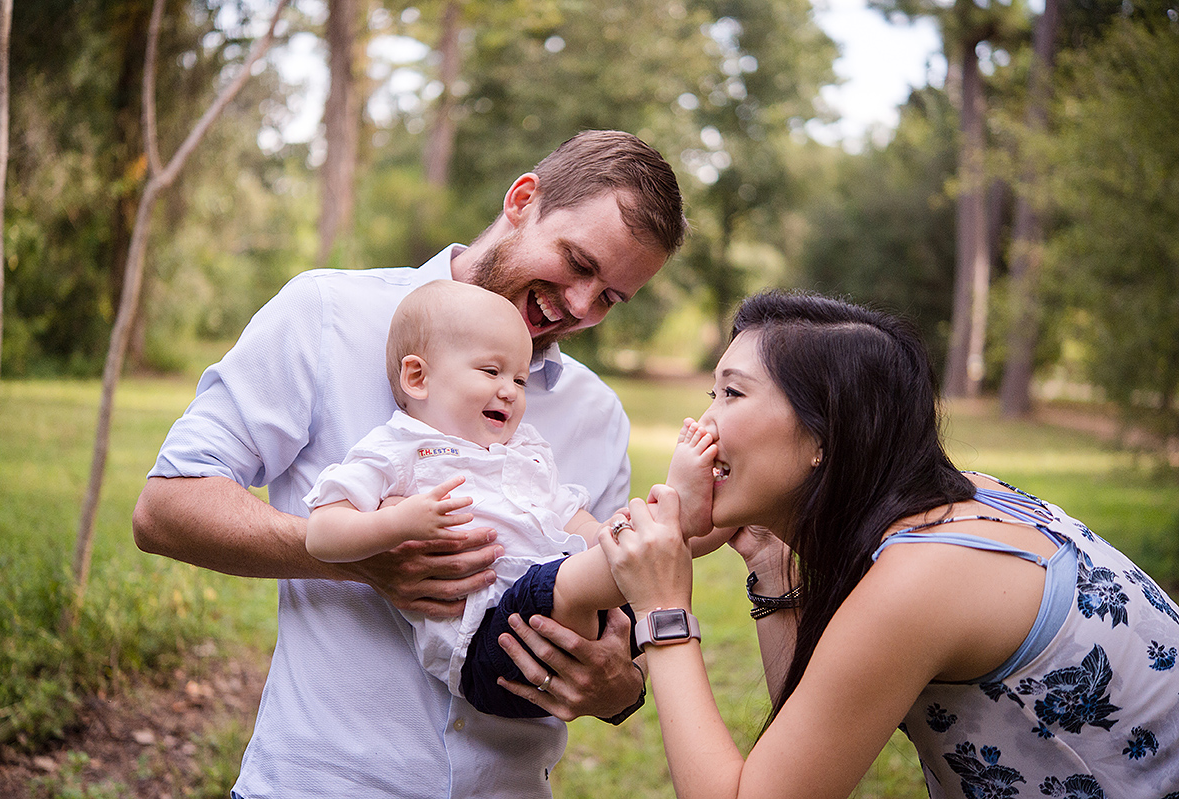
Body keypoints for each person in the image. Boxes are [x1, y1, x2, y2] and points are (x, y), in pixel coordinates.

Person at [132, 130, 687, 797]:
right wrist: (357, 555)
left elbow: (615, 614)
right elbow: (165, 508)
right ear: (522, 200)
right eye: (576, 261)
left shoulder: (596, 414)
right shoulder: (329, 315)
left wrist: (619, 686)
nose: (578, 303)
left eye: (609, 298)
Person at [498, 290, 1179, 799]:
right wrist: (772, 568)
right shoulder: (956, 502)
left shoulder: (925, 577)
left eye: (732, 394)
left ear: (824, 438)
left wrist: (664, 613)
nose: (700, 424)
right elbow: (800, 760)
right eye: (712, 392)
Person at [303, 279, 723, 717]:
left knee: (622, 550)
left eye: (519, 379)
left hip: (560, 626)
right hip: (486, 643)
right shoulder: (398, 449)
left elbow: (570, 520)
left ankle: (690, 528)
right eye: (491, 371)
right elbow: (322, 533)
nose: (510, 391)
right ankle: (675, 520)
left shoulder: (524, 451)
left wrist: (607, 534)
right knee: (584, 575)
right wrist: (399, 524)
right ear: (417, 377)